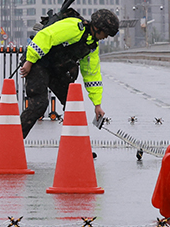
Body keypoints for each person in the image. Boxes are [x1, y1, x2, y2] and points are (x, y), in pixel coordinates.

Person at [19, 9, 119, 138]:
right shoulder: (75, 27)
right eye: (106, 33)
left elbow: (91, 75)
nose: (106, 36)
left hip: (55, 70)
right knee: (39, 103)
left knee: (73, 103)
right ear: (98, 27)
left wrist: (97, 104)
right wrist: (30, 61)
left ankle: (78, 147)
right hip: (37, 63)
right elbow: (46, 36)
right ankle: (12, 142)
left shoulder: (92, 45)